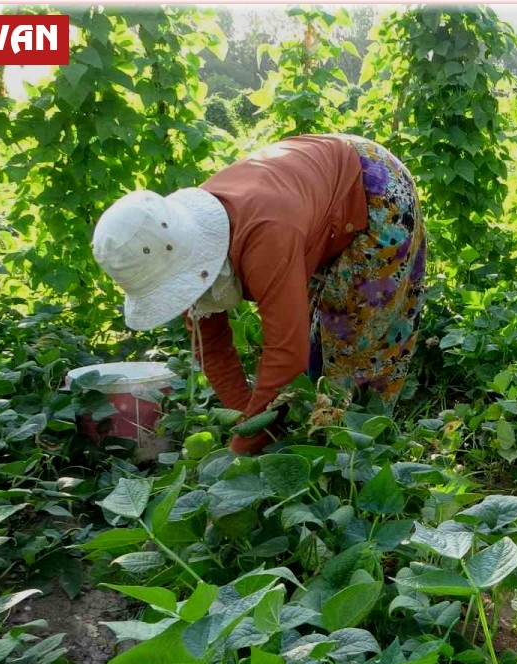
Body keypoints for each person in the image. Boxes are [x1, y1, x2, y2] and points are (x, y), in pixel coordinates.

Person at [91, 134, 427, 454]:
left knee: (354, 339)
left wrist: (243, 452)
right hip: (311, 193)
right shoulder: (171, 244)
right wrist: (246, 424)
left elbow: (285, 353)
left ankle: (365, 448)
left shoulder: (265, 236)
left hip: (373, 189)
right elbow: (212, 348)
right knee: (313, 338)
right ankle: (314, 439)